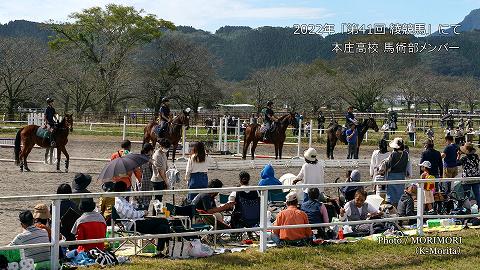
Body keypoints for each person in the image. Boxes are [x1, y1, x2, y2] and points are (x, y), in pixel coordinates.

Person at [114, 181, 170, 255]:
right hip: (133, 224)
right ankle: (170, 247)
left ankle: (160, 252)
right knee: (164, 220)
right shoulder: (119, 202)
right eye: (126, 189)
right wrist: (143, 213)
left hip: (138, 222)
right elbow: (130, 214)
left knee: (163, 227)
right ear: (122, 190)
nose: (128, 190)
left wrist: (135, 203)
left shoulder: (123, 200)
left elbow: (132, 210)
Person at [385, 138, 412, 207]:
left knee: (391, 194)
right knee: (400, 193)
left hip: (392, 175)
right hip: (401, 175)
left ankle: (393, 209)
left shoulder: (393, 154)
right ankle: (399, 208)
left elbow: (389, 165)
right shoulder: (406, 154)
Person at [151, 139, 171, 204]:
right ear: (161, 146)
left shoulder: (163, 154)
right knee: (158, 200)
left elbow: (165, 166)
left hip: (162, 179)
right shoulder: (157, 155)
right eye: (165, 147)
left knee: (159, 199)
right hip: (157, 180)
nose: (166, 149)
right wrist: (166, 181)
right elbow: (160, 171)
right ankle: (155, 213)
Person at [136, 143, 154, 210]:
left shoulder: (139, 158)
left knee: (139, 198)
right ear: (149, 150)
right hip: (147, 180)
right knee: (147, 198)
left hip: (139, 179)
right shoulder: (150, 159)